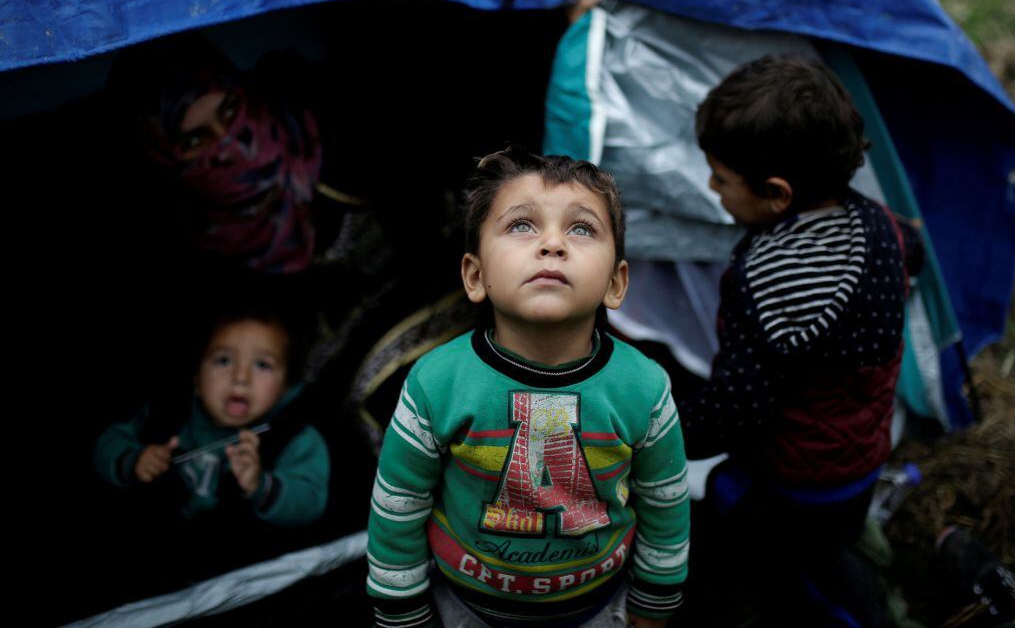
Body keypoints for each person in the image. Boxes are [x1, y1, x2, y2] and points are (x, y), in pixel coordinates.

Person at [364, 148, 690, 628]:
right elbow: (398, 507)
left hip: (601, 607)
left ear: (616, 285)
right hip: (462, 608)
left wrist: (654, 605)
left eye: (581, 228)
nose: (552, 244)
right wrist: (403, 614)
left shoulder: (645, 387)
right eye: (522, 225)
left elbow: (666, 504)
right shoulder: (435, 383)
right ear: (476, 276)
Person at [681, 55, 924, 626]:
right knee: (830, 534)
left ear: (776, 194)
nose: (713, 189)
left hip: (796, 484)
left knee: (756, 534)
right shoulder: (880, 222)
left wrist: (658, 433)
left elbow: (736, 411)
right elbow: (914, 254)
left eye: (720, 177)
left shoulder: (763, 282)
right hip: (865, 451)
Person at [93, 306, 330, 528]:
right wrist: (136, 461)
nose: (240, 377)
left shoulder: (294, 436)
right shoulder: (167, 412)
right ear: (197, 377)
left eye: (262, 365)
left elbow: (311, 501)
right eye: (223, 360)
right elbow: (107, 444)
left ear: (285, 387)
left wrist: (260, 485)